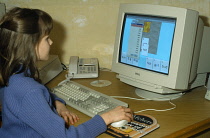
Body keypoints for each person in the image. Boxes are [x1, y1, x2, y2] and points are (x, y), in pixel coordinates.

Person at [0, 7, 133, 138]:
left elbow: (34, 98)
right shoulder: (29, 90)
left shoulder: (14, 74)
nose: (51, 42)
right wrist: (106, 118)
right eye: (47, 38)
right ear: (30, 45)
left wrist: (56, 103)